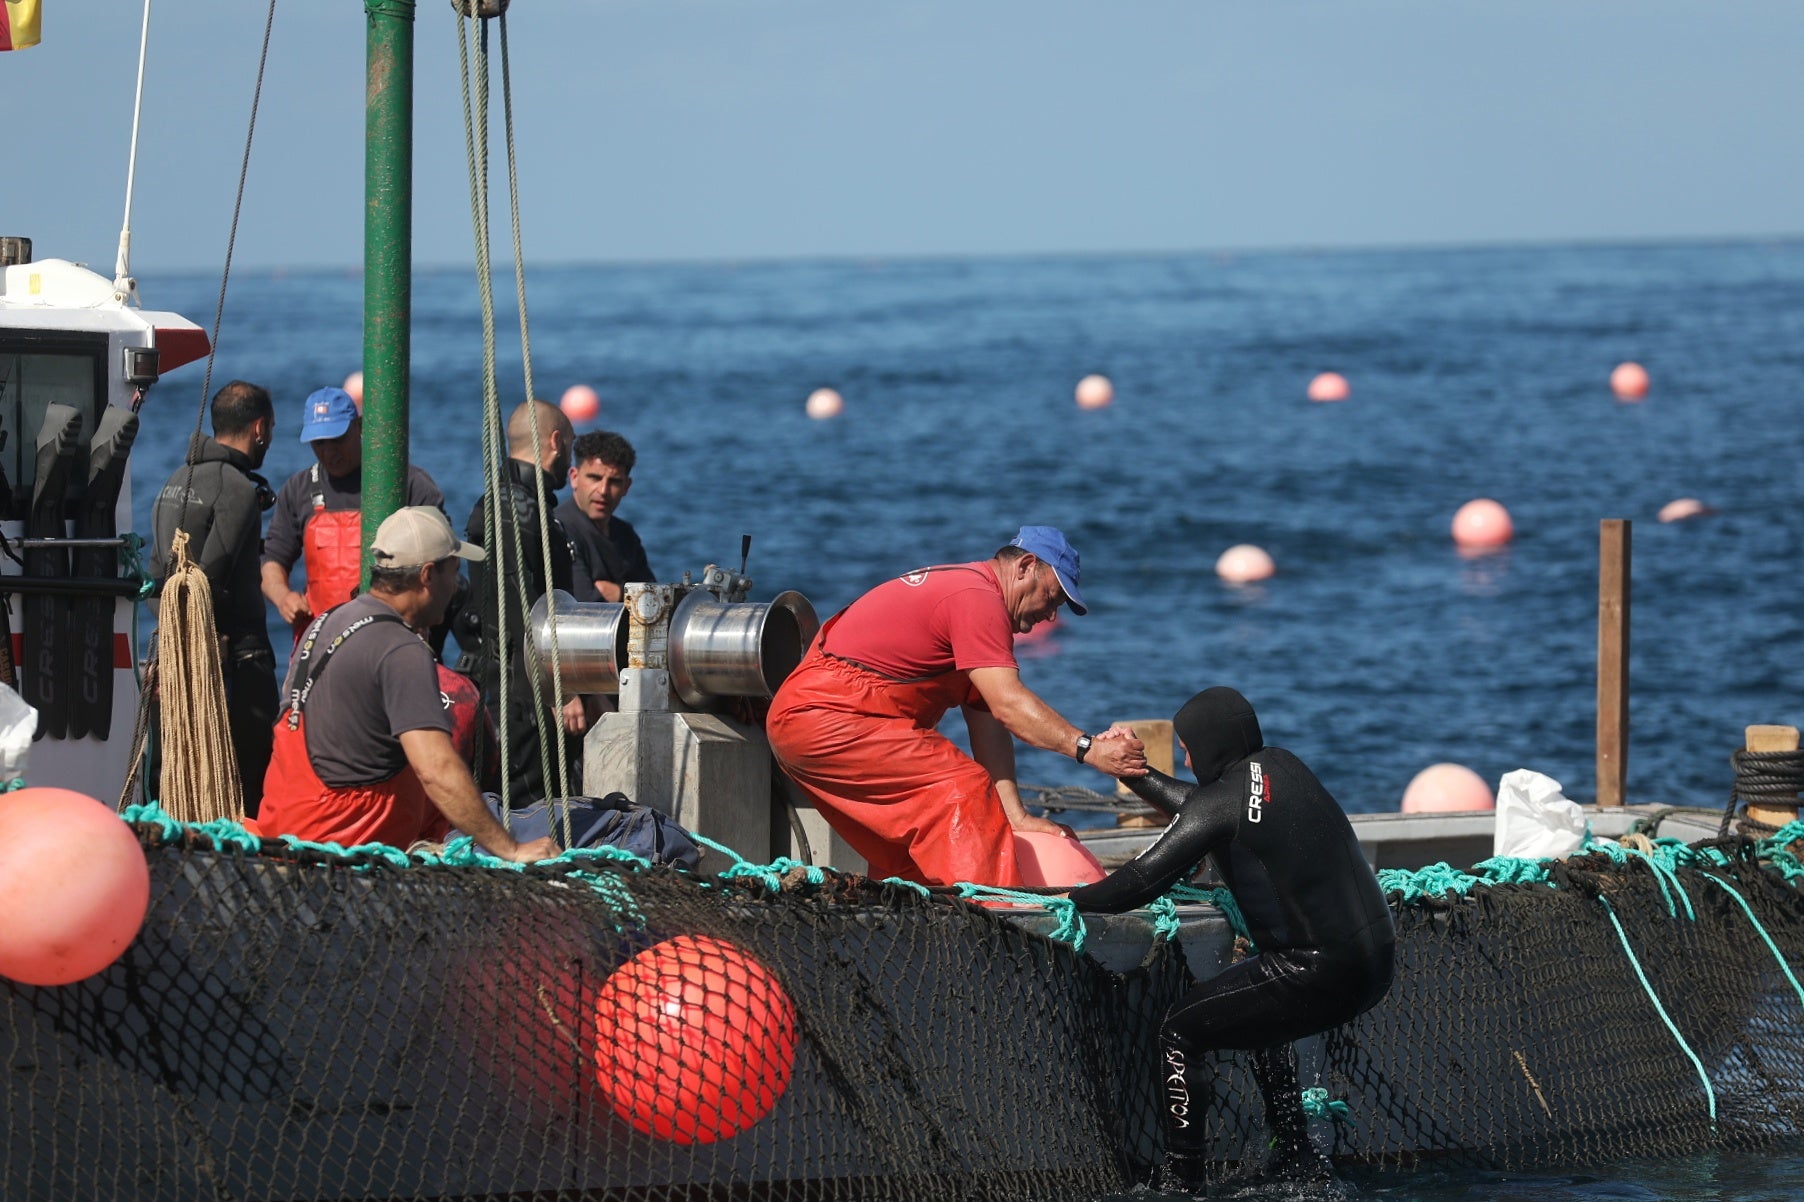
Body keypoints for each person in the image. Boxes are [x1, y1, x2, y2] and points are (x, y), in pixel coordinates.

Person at [1068, 687, 1396, 1190]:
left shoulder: (1224, 803)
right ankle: (1294, 1154)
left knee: (1178, 1031)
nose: (1186, 759)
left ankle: (1184, 1182)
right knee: (1264, 1018)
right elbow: (1204, 808)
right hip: (1373, 962)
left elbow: (1139, 881)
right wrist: (1132, 772)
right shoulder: (1283, 765)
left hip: (1316, 971)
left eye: (1187, 748)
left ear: (1210, 744)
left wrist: (1071, 899)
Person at [765, 526, 1148, 887]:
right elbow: (1010, 706)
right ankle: (992, 921)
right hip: (827, 715)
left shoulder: (973, 596)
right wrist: (1090, 750)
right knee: (962, 791)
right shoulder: (977, 598)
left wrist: (1014, 814)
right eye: (1053, 597)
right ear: (1026, 566)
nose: (1051, 615)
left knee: (911, 857)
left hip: (815, 718)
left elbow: (989, 720)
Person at [256, 506, 559, 863]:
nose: (456, 587)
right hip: (340, 854)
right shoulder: (401, 650)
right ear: (428, 575)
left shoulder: (328, 622)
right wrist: (511, 849)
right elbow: (436, 770)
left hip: (282, 834)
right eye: (454, 572)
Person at [149, 380, 279, 816]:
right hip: (236, 667)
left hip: (175, 664)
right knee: (249, 789)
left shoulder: (173, 481)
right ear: (259, 428)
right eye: (271, 430)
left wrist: (177, 648)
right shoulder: (236, 489)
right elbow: (210, 583)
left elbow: (157, 580)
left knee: (177, 784)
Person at [455, 399, 590, 805]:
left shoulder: (512, 504)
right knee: (529, 805)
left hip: (512, 684)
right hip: (520, 693)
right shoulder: (518, 509)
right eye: (570, 443)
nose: (569, 454)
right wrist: (559, 691)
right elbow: (521, 604)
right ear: (555, 441)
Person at [260, 385, 445, 640]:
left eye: (338, 440)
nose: (329, 452)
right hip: (322, 640)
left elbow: (443, 566)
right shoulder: (298, 489)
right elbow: (273, 561)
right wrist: (284, 598)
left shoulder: (408, 483)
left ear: (359, 427)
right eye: (319, 443)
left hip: (395, 638)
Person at [555, 430, 653, 603]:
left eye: (614, 481)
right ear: (574, 477)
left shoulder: (625, 534)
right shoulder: (559, 529)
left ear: (626, 486)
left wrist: (619, 593)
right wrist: (631, 595)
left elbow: (655, 598)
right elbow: (584, 602)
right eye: (595, 478)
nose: (603, 491)